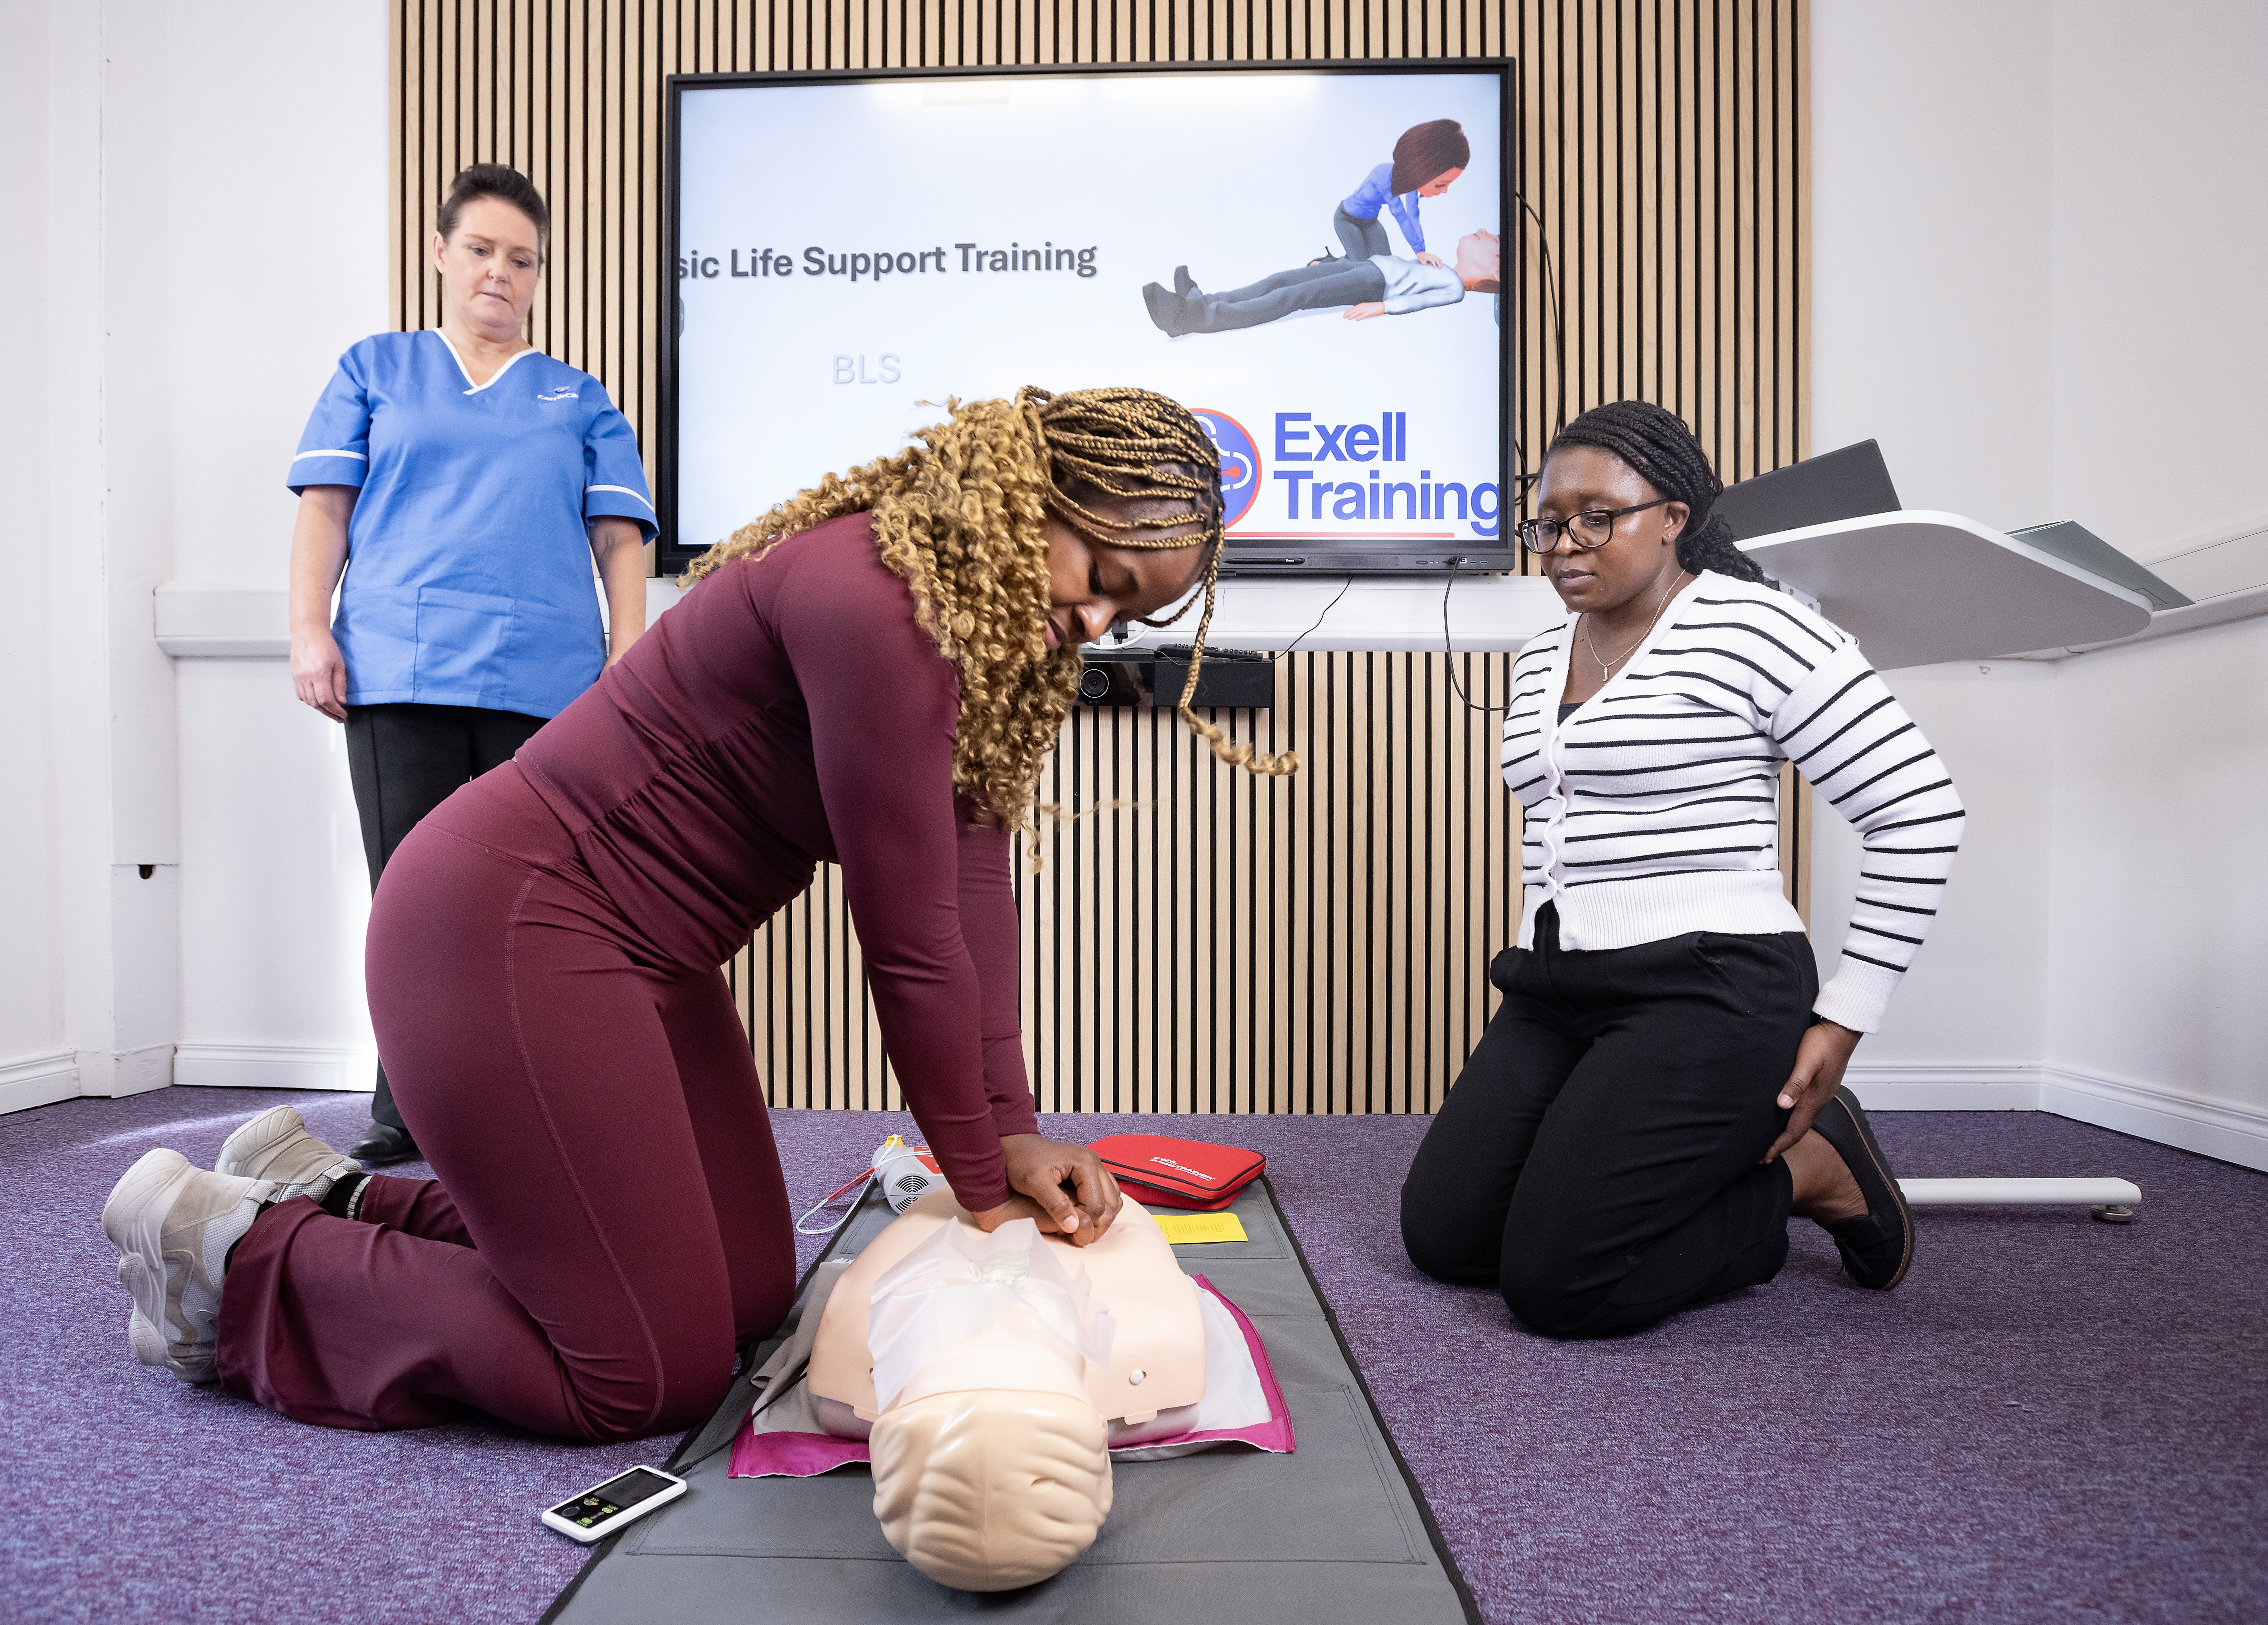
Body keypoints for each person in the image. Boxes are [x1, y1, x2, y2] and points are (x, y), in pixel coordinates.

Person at [101, 387, 1296, 1440]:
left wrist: (1018, 1129)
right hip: (504, 927)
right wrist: (982, 1184)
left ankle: (333, 1190)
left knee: (742, 1303)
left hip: (645, 965)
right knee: (637, 1378)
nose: (1096, 626)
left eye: (1128, 617)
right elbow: (909, 936)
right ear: (1031, 496)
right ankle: (240, 1254)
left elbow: (975, 893)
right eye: (1100, 581)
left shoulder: (975, 641)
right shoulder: (877, 598)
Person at [1400, 401, 1965, 1338]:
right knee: (1447, 1239)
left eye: (1597, 515)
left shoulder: (1756, 628)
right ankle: (1667, 1171)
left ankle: (1807, 1173)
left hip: (1709, 983)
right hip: (1554, 986)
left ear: (1672, 516)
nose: (1564, 542)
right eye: (1546, 521)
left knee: (1561, 1289)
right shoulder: (1541, 655)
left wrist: (1847, 1010)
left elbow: (1917, 807)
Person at [286, 163, 656, 1169]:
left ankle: (525, 1096)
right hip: (400, 671)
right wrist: (309, 629)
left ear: (540, 274)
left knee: (531, 904)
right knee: (408, 898)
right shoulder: (376, 367)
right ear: (442, 252)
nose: (501, 271)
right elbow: (324, 508)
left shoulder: (577, 398)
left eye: (522, 258)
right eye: (482, 249)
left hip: (544, 683)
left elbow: (621, 538)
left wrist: (626, 656)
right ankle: (405, 1109)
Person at [1142, 227, 1501, 337]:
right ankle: (1200, 302)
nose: (1486, 233)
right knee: (1280, 279)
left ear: (1494, 274)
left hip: (1374, 285)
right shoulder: (1439, 266)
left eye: (1495, 242)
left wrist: (1383, 307)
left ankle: (1194, 319)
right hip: (1368, 268)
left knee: (1294, 295)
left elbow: (1418, 301)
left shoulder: (1453, 288)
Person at [1331, 119, 1470, 265]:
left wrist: (1422, 251)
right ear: (1422, 172)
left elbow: (1413, 214)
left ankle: (1336, 262)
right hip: (1347, 219)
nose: (1445, 191)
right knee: (1362, 267)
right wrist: (1419, 251)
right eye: (1441, 185)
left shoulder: (1410, 181)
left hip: (1370, 222)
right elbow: (1401, 216)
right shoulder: (1383, 176)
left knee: (1387, 267)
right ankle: (1326, 263)